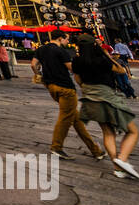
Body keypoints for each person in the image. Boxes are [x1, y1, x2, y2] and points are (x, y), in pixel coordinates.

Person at [72, 36, 139, 179]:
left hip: (90, 98)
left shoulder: (77, 61)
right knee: (132, 131)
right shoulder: (102, 59)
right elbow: (121, 70)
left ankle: (118, 168)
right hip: (108, 97)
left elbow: (78, 79)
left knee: (108, 133)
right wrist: (106, 55)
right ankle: (122, 160)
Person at [33, 32, 106, 161]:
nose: (68, 41)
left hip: (51, 87)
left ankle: (96, 150)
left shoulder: (41, 49)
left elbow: (33, 64)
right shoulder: (61, 51)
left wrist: (39, 75)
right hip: (65, 88)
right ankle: (56, 147)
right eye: (67, 39)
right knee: (65, 118)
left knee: (75, 120)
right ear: (60, 38)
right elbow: (71, 68)